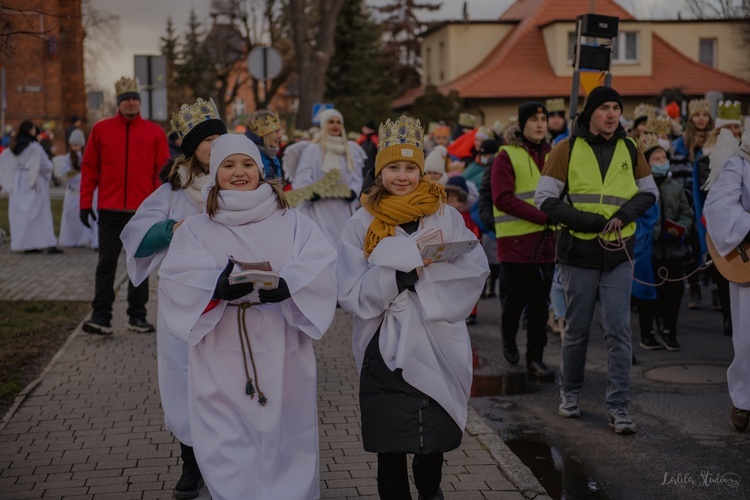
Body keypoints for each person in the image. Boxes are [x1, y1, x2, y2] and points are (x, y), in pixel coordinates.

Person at [157, 134, 337, 499]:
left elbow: (321, 263)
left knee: (285, 433)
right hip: (219, 350)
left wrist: (291, 285)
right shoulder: (197, 227)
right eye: (228, 165)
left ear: (260, 169)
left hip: (282, 343)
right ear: (215, 172)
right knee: (228, 440)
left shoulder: (294, 222)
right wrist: (215, 290)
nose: (239, 172)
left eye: (247, 164)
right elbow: (175, 280)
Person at [337, 115, 489, 500]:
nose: (401, 176)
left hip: (436, 337)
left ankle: (430, 491)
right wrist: (398, 276)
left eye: (409, 168)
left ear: (421, 171)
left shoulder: (444, 215)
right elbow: (351, 292)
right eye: (392, 168)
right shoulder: (360, 223)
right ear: (379, 171)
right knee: (389, 440)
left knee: (432, 433)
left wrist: (425, 278)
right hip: (383, 344)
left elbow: (473, 267)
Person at [119, 97, 226, 499]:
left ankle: (226, 455)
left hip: (230, 300)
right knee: (183, 376)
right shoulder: (174, 191)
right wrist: (171, 228)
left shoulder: (239, 180)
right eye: (206, 140)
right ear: (191, 147)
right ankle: (190, 460)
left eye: (220, 138)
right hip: (184, 302)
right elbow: (136, 238)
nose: (214, 147)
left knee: (225, 378)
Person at [535, 86, 658, 434]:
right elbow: (545, 199)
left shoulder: (630, 148)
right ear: (590, 113)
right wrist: (589, 221)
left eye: (616, 108)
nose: (611, 114)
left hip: (618, 253)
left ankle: (619, 408)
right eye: (603, 107)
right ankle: (570, 393)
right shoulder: (566, 148)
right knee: (576, 331)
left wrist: (623, 213)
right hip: (578, 251)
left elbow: (650, 192)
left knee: (619, 331)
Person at [78, 77, 169, 335]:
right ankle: (101, 316)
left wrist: (162, 208)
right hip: (109, 209)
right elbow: (90, 169)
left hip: (142, 212)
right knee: (106, 263)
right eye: (126, 98)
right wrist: (85, 203)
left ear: (139, 101)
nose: (131, 102)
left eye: (134, 98)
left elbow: (161, 174)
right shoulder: (101, 130)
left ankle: (137, 316)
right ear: (119, 102)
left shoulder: (155, 133)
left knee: (140, 264)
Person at [492, 102, 556, 380]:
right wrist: (544, 216)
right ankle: (508, 338)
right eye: (534, 119)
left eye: (544, 118)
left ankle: (535, 358)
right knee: (515, 300)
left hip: (547, 243)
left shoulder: (555, 154)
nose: (540, 124)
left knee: (540, 305)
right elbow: (502, 198)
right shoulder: (506, 155)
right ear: (522, 124)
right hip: (516, 243)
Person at [704, 129, 750, 431]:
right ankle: (744, 400)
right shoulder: (740, 163)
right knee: (748, 338)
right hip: (748, 262)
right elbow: (719, 209)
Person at [292, 108, 364, 248]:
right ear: (324, 125)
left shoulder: (350, 150)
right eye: (331, 122)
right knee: (322, 245)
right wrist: (310, 193)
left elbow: (356, 176)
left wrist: (353, 191)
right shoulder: (313, 149)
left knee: (343, 244)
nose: (335, 125)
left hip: (342, 208)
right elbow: (303, 175)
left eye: (338, 122)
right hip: (319, 208)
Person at [672, 98, 714, 309]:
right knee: (691, 246)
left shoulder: (715, 140)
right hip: (689, 197)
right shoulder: (681, 143)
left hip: (709, 196)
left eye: (704, 115)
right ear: (691, 118)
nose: (701, 119)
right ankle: (695, 288)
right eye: (697, 115)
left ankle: (716, 291)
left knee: (714, 244)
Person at [0, 120, 63, 254]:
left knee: (21, 214)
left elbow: (3, 161)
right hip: (34, 181)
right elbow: (45, 165)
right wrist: (49, 173)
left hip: (18, 182)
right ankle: (45, 242)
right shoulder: (34, 146)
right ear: (30, 131)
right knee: (40, 214)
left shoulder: (12, 145)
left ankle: (25, 243)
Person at [59, 129, 98, 248]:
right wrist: (73, 174)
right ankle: (71, 239)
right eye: (72, 145)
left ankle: (83, 239)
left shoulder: (86, 156)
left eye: (76, 145)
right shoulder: (68, 157)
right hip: (73, 192)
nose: (74, 147)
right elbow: (64, 173)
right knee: (71, 217)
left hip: (81, 191)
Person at [245, 109, 283, 180]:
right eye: (275, 131)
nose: (280, 136)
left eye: (279, 130)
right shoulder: (251, 159)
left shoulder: (272, 158)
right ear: (263, 134)